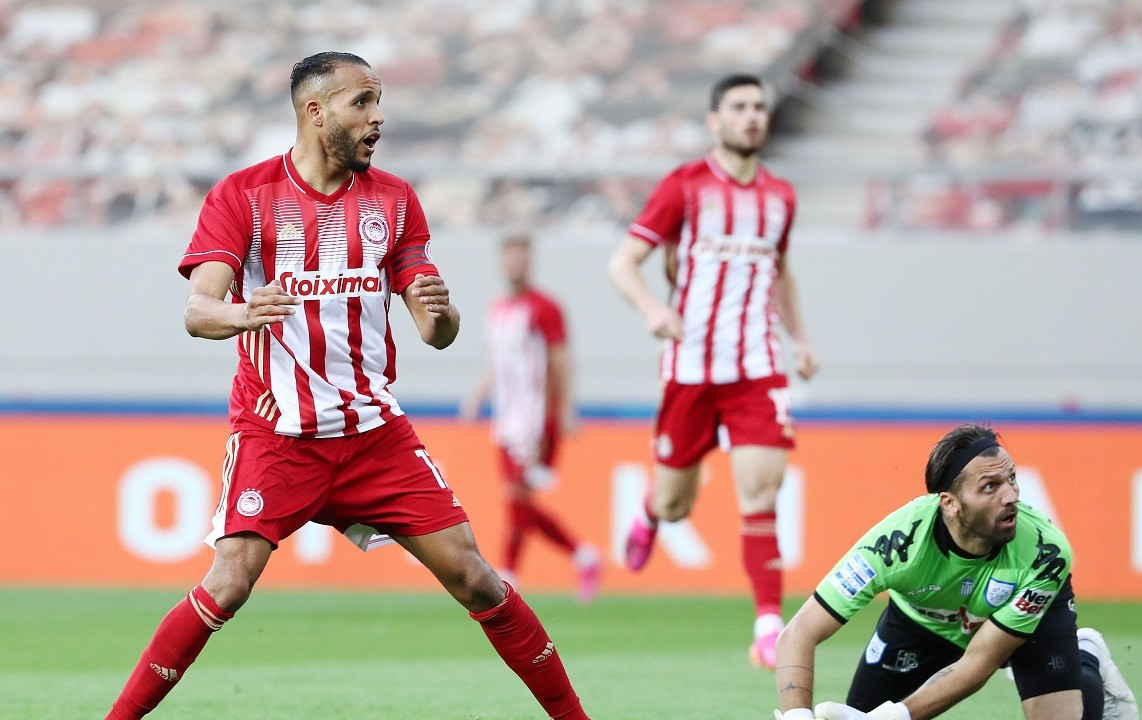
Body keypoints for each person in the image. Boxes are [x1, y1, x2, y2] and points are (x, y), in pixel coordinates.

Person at [104, 52, 591, 720]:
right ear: (316, 112)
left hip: (373, 434)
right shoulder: (244, 196)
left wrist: (444, 313)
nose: (377, 117)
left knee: (475, 577)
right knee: (229, 582)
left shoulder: (394, 201)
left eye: (378, 101)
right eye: (361, 102)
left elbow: (435, 331)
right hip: (278, 434)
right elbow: (198, 311)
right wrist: (245, 313)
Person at [607, 72, 819, 670]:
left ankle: (769, 627)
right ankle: (652, 510)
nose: (751, 116)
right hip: (692, 365)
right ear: (715, 120)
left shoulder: (781, 197)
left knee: (761, 491)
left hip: (758, 367)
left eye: (759, 107)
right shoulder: (685, 187)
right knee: (677, 503)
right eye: (739, 107)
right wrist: (653, 310)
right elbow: (623, 263)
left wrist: (800, 340)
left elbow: (779, 271)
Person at [773, 424, 1139, 720]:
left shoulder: (1046, 554)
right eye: (990, 487)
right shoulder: (895, 545)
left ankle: (1085, 658)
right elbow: (799, 633)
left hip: (1021, 616)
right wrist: (796, 716)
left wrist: (895, 716)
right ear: (949, 503)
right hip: (920, 619)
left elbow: (979, 661)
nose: (1011, 496)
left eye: (1011, 479)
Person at [460, 233, 602, 602]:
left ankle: (508, 574)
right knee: (518, 499)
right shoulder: (497, 310)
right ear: (500, 262)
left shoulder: (545, 308)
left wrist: (565, 409)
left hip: (534, 419)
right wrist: (477, 397)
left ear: (530, 261)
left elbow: (560, 359)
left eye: (521, 257)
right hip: (505, 419)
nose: (514, 264)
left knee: (516, 495)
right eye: (509, 257)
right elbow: (496, 363)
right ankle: (583, 556)